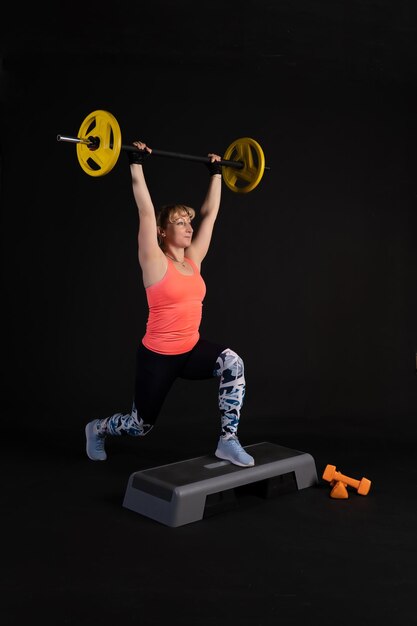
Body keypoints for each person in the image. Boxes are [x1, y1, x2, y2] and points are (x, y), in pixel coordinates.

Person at [85, 140, 255, 468]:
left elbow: (210, 214)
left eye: (188, 222)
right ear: (163, 232)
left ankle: (228, 440)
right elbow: (146, 212)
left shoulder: (193, 261)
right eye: (180, 222)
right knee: (140, 425)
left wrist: (216, 174)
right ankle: (98, 428)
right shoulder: (154, 262)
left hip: (190, 350)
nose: (189, 227)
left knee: (233, 364)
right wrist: (136, 164)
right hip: (158, 357)